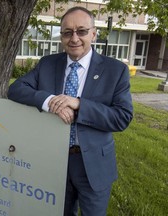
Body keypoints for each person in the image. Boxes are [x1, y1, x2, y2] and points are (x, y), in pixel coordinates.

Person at [8, 6, 133, 216]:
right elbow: (16, 89)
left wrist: (79, 104)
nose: (74, 38)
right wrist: (50, 102)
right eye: (67, 32)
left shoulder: (116, 70)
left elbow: (122, 117)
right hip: (54, 160)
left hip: (93, 165)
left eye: (81, 31)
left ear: (93, 34)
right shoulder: (48, 64)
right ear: (61, 37)